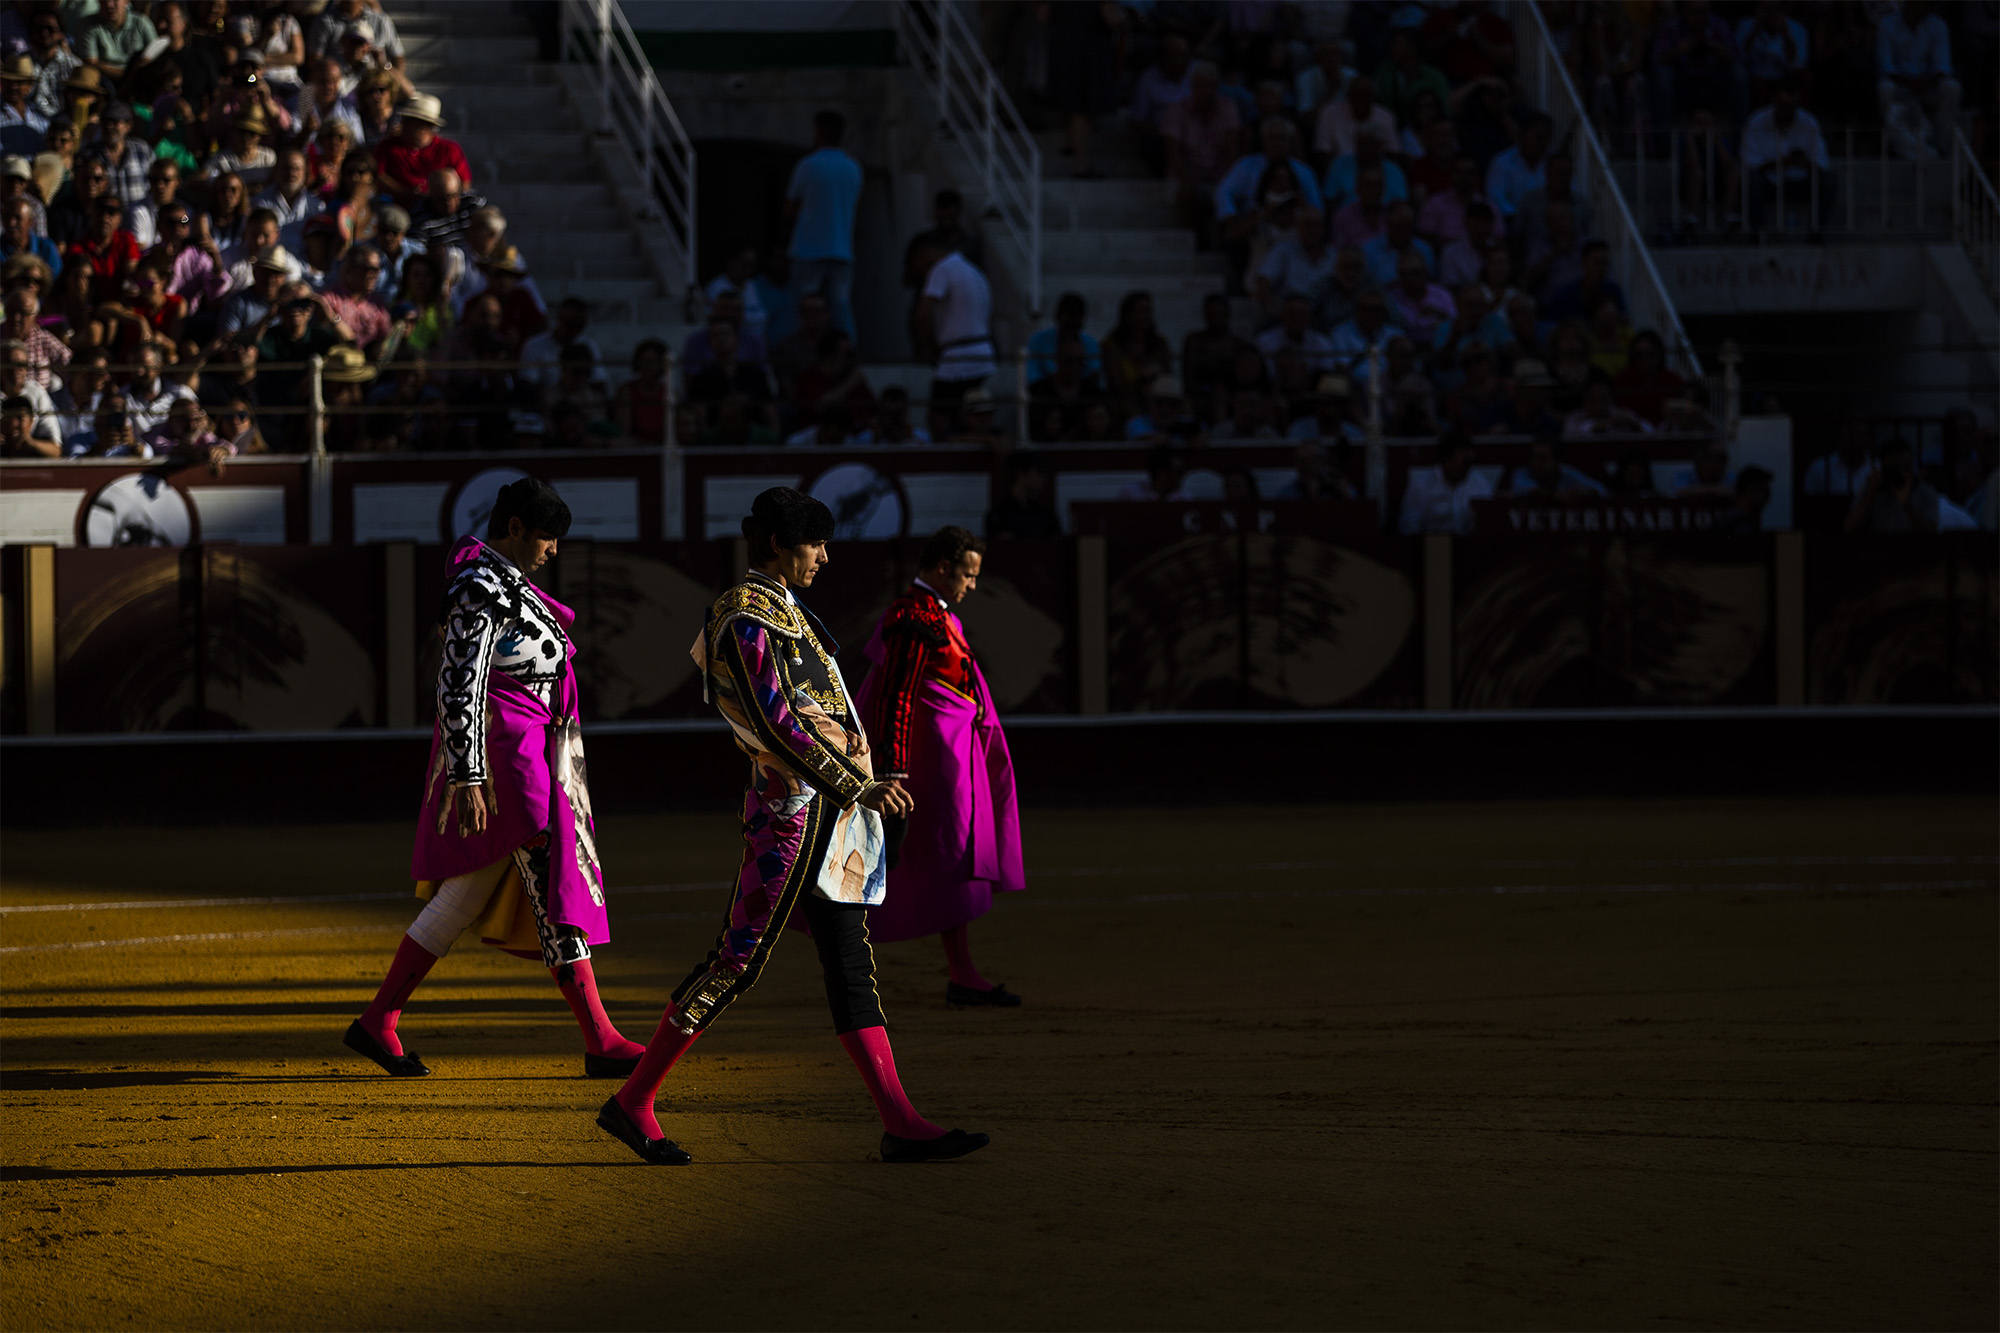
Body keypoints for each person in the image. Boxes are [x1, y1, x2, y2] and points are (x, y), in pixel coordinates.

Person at [599, 487, 988, 1166]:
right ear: (779, 545)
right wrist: (858, 784)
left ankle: (900, 1119)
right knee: (737, 958)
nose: (825, 557)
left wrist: (861, 784)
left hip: (824, 810)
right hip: (788, 816)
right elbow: (778, 725)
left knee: (847, 958)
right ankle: (634, 1100)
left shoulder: (780, 613)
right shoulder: (744, 617)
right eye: (815, 545)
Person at [347, 479, 647, 1080]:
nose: (552, 551)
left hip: (528, 744)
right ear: (512, 528)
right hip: (510, 755)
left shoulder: (500, 584)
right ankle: (600, 1037)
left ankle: (379, 1020)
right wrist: (468, 775)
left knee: (465, 893)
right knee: (550, 872)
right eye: (545, 537)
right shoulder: (479, 587)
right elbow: (459, 682)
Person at [855, 525, 1025, 1005]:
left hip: (942, 761)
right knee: (934, 857)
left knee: (950, 859)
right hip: (925, 768)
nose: (971, 585)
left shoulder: (932, 615)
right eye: (967, 575)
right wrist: (893, 771)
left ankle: (962, 971)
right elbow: (897, 696)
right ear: (943, 568)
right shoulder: (915, 616)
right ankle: (861, 967)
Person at [785, 109, 862, 335]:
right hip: (842, 251)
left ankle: (797, 355)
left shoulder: (808, 165)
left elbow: (790, 206)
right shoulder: (853, 167)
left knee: (800, 308)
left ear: (818, 132)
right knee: (840, 308)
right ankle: (848, 353)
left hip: (808, 249)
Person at [911, 237, 993, 441]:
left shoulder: (942, 269)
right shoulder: (973, 271)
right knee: (963, 415)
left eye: (920, 268)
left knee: (938, 417)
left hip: (958, 358)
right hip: (982, 354)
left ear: (924, 256)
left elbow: (923, 313)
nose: (923, 275)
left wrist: (928, 348)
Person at [1740, 76, 1835, 231]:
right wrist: (1783, 162)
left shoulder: (1808, 122)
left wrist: (1802, 162)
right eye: (1784, 106)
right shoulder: (1756, 121)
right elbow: (1750, 162)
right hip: (1768, 182)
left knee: (1828, 180)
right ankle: (1757, 234)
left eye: (1792, 106)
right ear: (1774, 101)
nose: (1788, 112)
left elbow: (1821, 161)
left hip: (1800, 181)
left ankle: (1815, 232)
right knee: (1751, 180)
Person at [1875, 0, 1959, 157]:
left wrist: (1924, 82)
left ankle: (1940, 143)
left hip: (1927, 85)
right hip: (1899, 84)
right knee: (1884, 88)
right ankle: (1895, 144)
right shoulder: (1887, 25)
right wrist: (1908, 82)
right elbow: (1885, 66)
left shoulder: (1938, 25)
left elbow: (1943, 66)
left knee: (1951, 88)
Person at [372, 94, 469, 210]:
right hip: (399, 209)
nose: (403, 125)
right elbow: (377, 176)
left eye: (411, 121)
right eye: (405, 120)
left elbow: (465, 183)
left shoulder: (450, 150)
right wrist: (404, 192)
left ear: (427, 126)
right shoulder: (388, 147)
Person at [1398, 429, 1494, 533]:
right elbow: (1408, 527)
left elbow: (1489, 520)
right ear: (1446, 460)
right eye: (1464, 462)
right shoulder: (1422, 485)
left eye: (1470, 462)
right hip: (1433, 546)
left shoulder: (1478, 481)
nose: (1468, 467)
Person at [1844, 438, 1939, 534]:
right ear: (1883, 467)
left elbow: (1931, 532)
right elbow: (1849, 528)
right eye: (1893, 468)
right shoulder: (1872, 489)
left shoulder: (1925, 493)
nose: (1900, 473)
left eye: (1905, 467)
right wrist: (1871, 494)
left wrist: (1906, 504)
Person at [1483, 112, 1553, 219]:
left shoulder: (1554, 163)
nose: (1543, 143)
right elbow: (1496, 198)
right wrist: (1519, 216)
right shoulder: (1502, 162)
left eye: (1546, 138)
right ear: (1523, 135)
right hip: (1510, 222)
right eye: (1539, 137)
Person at [1025, 291, 1102, 384]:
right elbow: (1032, 378)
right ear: (1057, 317)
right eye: (1067, 326)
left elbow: (1096, 378)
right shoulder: (1038, 341)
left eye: (1076, 327)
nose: (1071, 332)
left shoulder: (1091, 345)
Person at [986, 449, 1058, 538]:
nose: (1044, 478)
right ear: (1021, 474)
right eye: (1039, 471)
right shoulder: (999, 516)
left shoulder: (1045, 515)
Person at [1803, 419, 1875, 498]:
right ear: (1842, 435)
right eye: (1853, 433)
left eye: (1862, 434)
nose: (1857, 440)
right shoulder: (1820, 469)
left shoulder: (1876, 468)